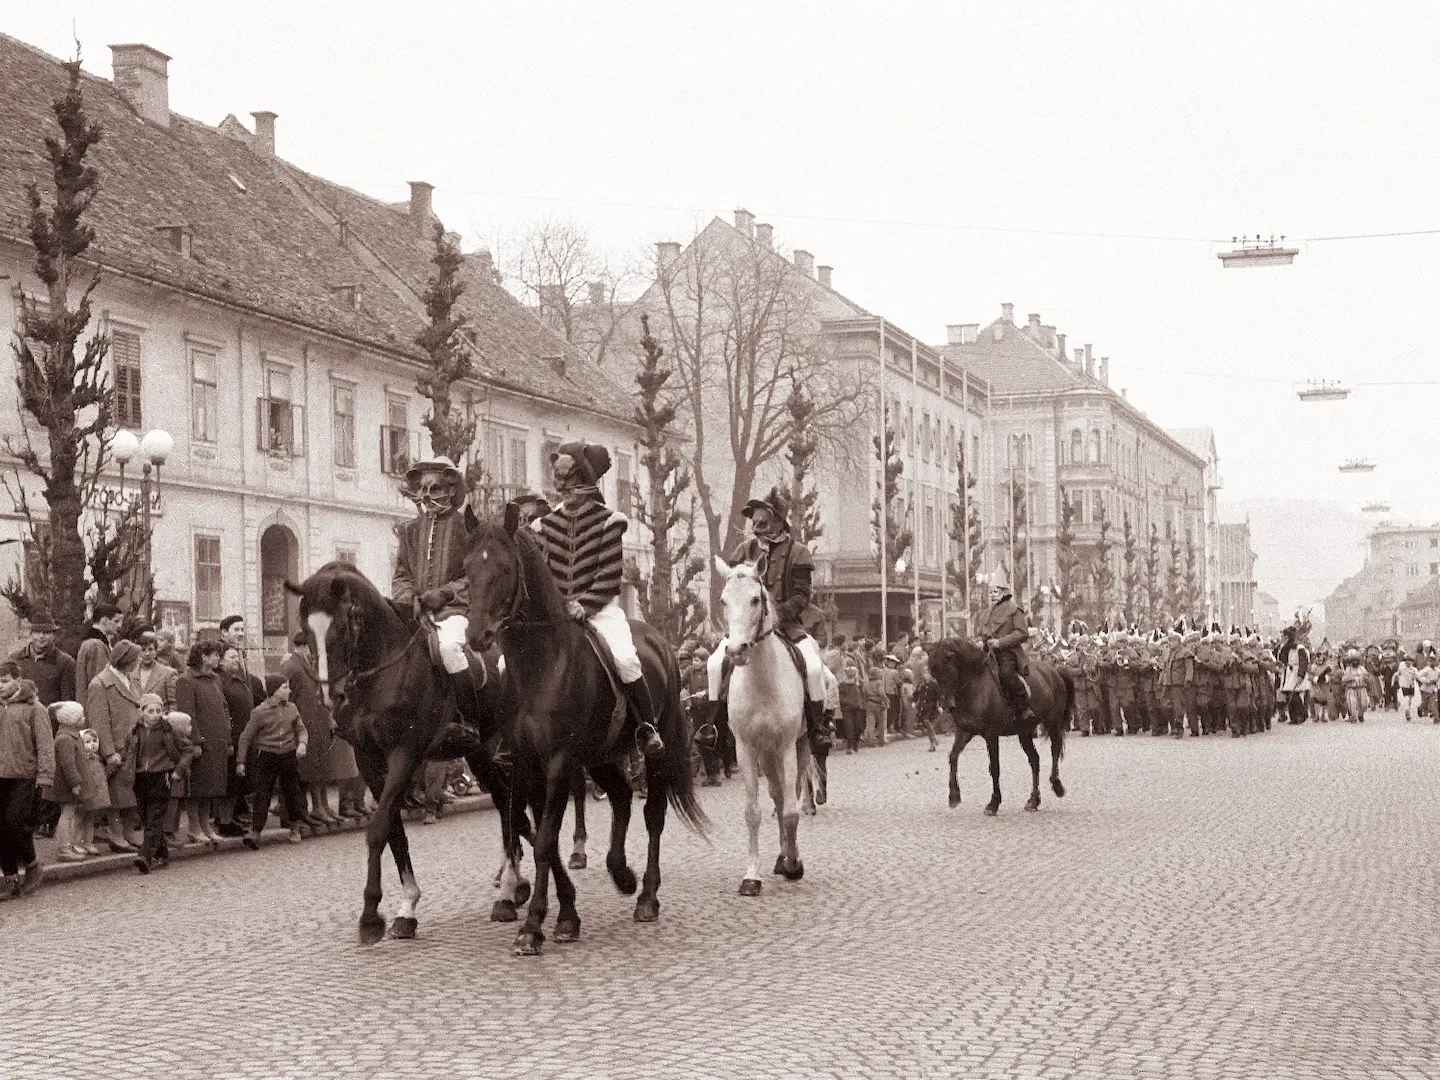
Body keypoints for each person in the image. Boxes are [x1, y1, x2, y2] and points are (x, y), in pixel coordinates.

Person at [531, 442, 663, 757]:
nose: (562, 489)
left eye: (570, 482)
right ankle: (514, 735)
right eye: (559, 481)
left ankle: (647, 728)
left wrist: (585, 604)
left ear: (586, 483)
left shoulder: (609, 521)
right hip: (557, 614)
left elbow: (609, 575)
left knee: (626, 660)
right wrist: (555, 605)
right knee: (510, 662)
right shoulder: (544, 526)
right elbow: (542, 576)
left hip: (599, 611)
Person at [702, 486, 828, 753]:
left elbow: (802, 595)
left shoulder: (798, 552)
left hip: (787, 626)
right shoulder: (743, 551)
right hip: (745, 628)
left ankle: (817, 728)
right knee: (714, 665)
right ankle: (712, 726)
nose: (756, 527)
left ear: (778, 522)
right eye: (754, 522)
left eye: (762, 522)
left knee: (814, 668)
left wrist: (776, 616)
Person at [392, 456, 485, 736]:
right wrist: (409, 597)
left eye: (435, 489)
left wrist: (443, 594)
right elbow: (401, 573)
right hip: (416, 612)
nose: (427, 496)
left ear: (451, 491)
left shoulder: (465, 528)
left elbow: (474, 576)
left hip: (454, 611)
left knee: (448, 649)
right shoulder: (410, 530)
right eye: (423, 489)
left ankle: (468, 719)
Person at [236, 677, 308, 848]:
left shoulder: (292, 708)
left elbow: (301, 728)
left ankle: (295, 828)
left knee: (292, 791)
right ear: (275, 691)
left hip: (288, 754)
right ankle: (256, 832)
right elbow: (245, 737)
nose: (289, 691)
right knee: (262, 793)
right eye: (285, 687)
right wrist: (241, 761)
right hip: (267, 755)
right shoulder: (260, 712)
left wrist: (303, 743)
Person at [0, 667, 53, 898]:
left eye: (4, 681)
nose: (1, 685)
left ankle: (32, 865)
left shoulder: (34, 708)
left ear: (17, 681)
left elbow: (44, 744)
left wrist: (45, 776)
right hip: (1, 776)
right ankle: (10, 879)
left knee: (15, 825)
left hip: (24, 775)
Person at [87, 638, 144, 851]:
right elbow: (99, 722)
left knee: (130, 794)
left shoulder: (131, 679)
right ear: (127, 661)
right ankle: (116, 834)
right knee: (116, 796)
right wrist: (109, 753)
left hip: (134, 747)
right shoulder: (100, 684)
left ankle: (129, 832)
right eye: (136, 659)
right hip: (117, 750)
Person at [130, 693, 198, 874]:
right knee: (146, 817)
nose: (155, 715)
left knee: (155, 816)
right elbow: (130, 751)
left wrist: (178, 771)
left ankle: (145, 856)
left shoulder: (169, 730)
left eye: (158, 711)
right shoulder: (136, 730)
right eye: (150, 711)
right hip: (141, 777)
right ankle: (162, 853)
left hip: (162, 777)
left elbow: (187, 749)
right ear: (142, 711)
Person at [176, 641, 230, 844]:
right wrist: (195, 741)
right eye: (215, 655)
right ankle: (194, 827)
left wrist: (227, 734)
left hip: (218, 741)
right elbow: (188, 714)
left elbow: (224, 708)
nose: (218, 659)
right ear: (203, 657)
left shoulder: (215, 679)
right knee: (196, 788)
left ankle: (206, 826)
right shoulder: (186, 680)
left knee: (211, 787)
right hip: (201, 743)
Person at [975, 570, 1035, 726]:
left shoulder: (1014, 610)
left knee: (1006, 674)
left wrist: (1000, 642)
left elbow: (1022, 633)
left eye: (995, 591)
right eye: (990, 592)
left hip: (1008, 652)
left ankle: (1024, 707)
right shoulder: (985, 613)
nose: (992, 595)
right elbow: (981, 633)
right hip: (987, 652)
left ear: (1004, 592)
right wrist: (980, 641)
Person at [44, 701, 88, 860]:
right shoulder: (66, 739)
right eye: (80, 716)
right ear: (72, 720)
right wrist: (75, 783)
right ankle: (64, 848)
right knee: (67, 814)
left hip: (67, 783)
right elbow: (68, 764)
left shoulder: (68, 736)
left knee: (70, 814)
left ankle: (68, 845)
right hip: (66, 784)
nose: (84, 718)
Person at [8, 611, 76, 706]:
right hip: (20, 718)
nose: (41, 636)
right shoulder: (15, 659)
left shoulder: (65, 662)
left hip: (49, 718)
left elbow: (68, 702)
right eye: (37, 632)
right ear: (31, 634)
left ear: (53, 635)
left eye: (46, 632)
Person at [74, 603, 122, 704]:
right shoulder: (96, 645)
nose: (119, 625)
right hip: (96, 706)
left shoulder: (90, 642)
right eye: (116, 621)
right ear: (104, 620)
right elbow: (101, 682)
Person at [133, 632, 178, 710]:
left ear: (156, 651)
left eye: (150, 649)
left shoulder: (168, 673)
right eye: (143, 650)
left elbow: (174, 703)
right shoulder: (131, 673)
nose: (147, 653)